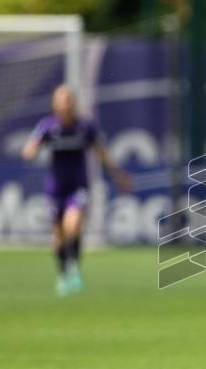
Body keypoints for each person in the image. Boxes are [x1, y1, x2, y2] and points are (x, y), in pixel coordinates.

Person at [22, 84, 132, 296]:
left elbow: (101, 153)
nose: (65, 104)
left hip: (78, 187)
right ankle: (63, 275)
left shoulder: (85, 127)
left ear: (73, 103)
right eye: (60, 100)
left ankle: (74, 270)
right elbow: (31, 148)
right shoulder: (48, 126)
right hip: (56, 189)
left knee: (72, 227)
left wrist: (118, 175)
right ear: (54, 104)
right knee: (58, 236)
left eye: (68, 100)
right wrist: (30, 151)